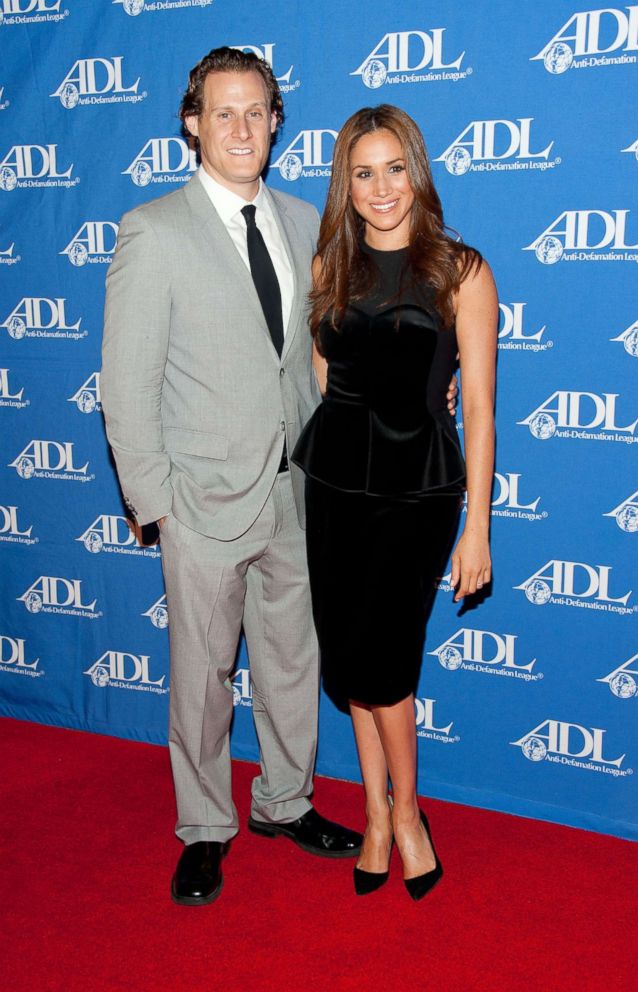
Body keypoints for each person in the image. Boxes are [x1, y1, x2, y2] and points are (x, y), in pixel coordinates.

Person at [100, 47, 364, 908]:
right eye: (224, 113)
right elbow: (126, 383)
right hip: (201, 503)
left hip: (294, 494)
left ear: (277, 122)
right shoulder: (154, 229)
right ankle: (205, 829)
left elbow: (310, 362)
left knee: (293, 662)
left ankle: (285, 803)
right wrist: (158, 505)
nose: (242, 128)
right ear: (192, 124)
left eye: (257, 112)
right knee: (202, 676)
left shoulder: (300, 220)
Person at [292, 105, 497, 900]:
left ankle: (408, 813)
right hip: (335, 482)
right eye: (363, 171)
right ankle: (374, 818)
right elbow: (321, 372)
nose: (381, 187)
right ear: (346, 180)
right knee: (350, 658)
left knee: (386, 663)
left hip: (417, 490)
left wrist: (477, 526)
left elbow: (477, 404)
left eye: (394, 168)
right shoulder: (328, 267)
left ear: (418, 169)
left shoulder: (461, 271)